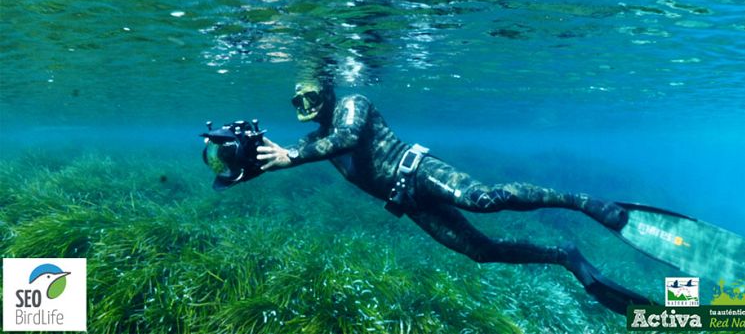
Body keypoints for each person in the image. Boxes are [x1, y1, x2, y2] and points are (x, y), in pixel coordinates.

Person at [255, 79, 650, 314]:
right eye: (298, 102)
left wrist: (292, 155)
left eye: (310, 97)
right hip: (407, 201)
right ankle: (564, 255)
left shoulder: (352, 105)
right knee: (480, 251)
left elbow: (348, 138)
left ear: (327, 90)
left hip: (419, 172)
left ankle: (580, 201)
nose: (305, 106)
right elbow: (294, 153)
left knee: (485, 199)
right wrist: (245, 164)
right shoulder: (313, 140)